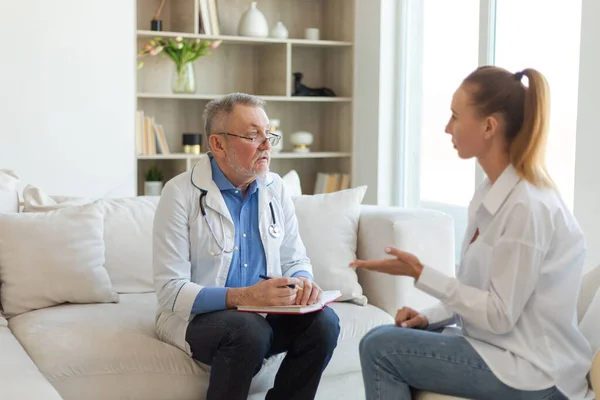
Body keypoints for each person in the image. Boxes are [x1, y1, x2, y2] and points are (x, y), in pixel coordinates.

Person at [352, 66, 594, 400]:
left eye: (455, 116)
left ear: (489, 126)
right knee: (382, 339)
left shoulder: (528, 207)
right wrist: (427, 316)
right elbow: (474, 292)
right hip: (498, 351)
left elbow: (498, 316)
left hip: (534, 372)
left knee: (380, 347)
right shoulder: (490, 193)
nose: (447, 127)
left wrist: (421, 273)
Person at [152, 92, 340, 400]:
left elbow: (295, 258)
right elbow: (171, 290)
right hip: (197, 319)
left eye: (269, 134)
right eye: (253, 136)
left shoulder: (274, 187)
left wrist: (304, 283)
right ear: (218, 144)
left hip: (263, 314)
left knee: (323, 323)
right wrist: (245, 297)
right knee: (248, 330)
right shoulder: (179, 193)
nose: (266, 145)